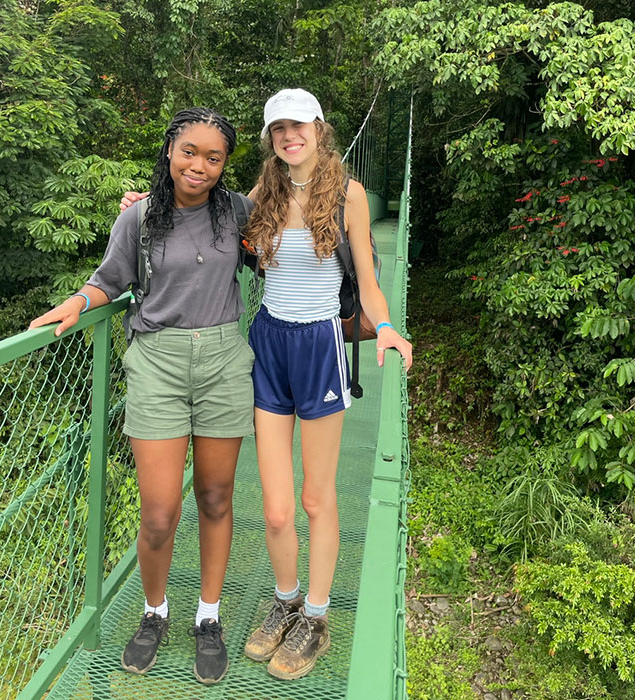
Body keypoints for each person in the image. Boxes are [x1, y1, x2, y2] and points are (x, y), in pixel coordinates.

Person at [30, 108, 255, 685]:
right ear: (169, 152)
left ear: (225, 165)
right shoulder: (138, 220)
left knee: (215, 496)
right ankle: (155, 611)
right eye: (189, 152)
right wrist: (78, 303)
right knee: (157, 513)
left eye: (214, 157)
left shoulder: (235, 213)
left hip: (224, 359)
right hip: (155, 362)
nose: (199, 166)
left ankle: (209, 615)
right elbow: (109, 281)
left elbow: (292, 224)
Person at [240, 88, 413, 680]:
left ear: (320, 128)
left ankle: (315, 615)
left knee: (316, 498)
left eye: (300, 126)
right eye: (279, 129)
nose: (290, 136)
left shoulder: (348, 195)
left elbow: (366, 280)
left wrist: (385, 325)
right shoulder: (260, 194)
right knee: (276, 506)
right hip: (269, 342)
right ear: (272, 138)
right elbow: (204, 219)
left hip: (319, 347)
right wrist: (145, 204)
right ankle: (285, 602)